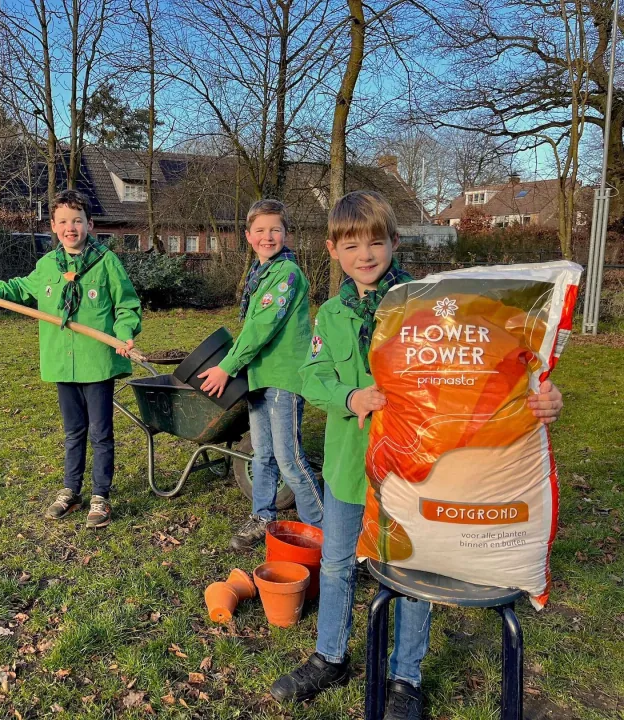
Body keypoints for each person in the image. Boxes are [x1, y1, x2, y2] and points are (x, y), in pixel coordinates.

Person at [269, 190, 564, 719]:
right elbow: (312, 376)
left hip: (413, 470)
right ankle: (329, 656)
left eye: (375, 243)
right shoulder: (330, 315)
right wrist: (350, 397)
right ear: (332, 250)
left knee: (411, 573)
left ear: (395, 242)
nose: (365, 255)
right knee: (337, 564)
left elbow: (482, 367)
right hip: (349, 467)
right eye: (351, 245)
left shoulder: (428, 307)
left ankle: (405, 677)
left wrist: (539, 394)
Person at [0, 190, 142, 529]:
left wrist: (124, 333)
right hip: (63, 362)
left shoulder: (106, 262)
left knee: (100, 433)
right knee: (73, 431)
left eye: (77, 221)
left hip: (96, 362)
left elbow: (126, 304)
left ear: (90, 224)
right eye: (63, 221)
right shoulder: (48, 265)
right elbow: (21, 287)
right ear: (53, 226)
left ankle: (101, 496)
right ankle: (71, 490)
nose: (70, 227)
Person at [198, 199, 324, 552]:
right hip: (259, 376)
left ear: (286, 233)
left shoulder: (287, 274)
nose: (268, 236)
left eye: (275, 230)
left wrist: (228, 367)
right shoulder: (262, 273)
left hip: (282, 378)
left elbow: (262, 328)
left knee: (289, 459)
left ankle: (323, 527)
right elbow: (252, 328)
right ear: (248, 235)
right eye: (260, 230)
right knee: (263, 454)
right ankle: (263, 516)